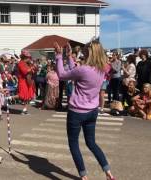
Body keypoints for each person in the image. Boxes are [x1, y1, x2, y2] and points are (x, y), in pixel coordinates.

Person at [54, 41, 115, 180]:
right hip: (92, 110)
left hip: (77, 111)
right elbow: (75, 72)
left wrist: (58, 56)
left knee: (74, 143)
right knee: (91, 143)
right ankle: (108, 172)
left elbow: (63, 75)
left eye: (85, 52)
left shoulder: (84, 69)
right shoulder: (103, 69)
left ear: (89, 53)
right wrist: (69, 57)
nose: (82, 54)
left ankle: (84, 176)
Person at [16, 50, 35, 115]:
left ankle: (25, 110)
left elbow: (30, 71)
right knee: (22, 95)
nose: (29, 59)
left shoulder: (26, 64)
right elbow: (25, 71)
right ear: (24, 57)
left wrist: (32, 68)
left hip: (27, 81)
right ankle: (9, 98)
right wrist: (32, 68)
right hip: (22, 81)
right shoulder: (21, 63)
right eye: (28, 57)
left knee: (27, 97)